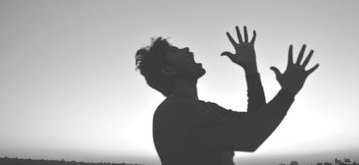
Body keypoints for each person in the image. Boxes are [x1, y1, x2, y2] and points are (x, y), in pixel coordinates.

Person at [135, 26, 319, 165]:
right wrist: (288, 92)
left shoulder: (204, 108)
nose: (187, 49)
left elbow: (254, 119)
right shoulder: (174, 112)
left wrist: (251, 69)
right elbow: (250, 137)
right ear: (168, 69)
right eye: (175, 51)